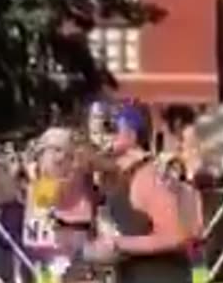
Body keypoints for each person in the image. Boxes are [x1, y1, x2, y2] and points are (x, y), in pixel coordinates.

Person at [81, 104, 191, 283]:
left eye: (112, 127)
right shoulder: (115, 177)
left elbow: (175, 237)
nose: (102, 136)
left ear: (132, 134)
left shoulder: (150, 175)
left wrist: (119, 244)